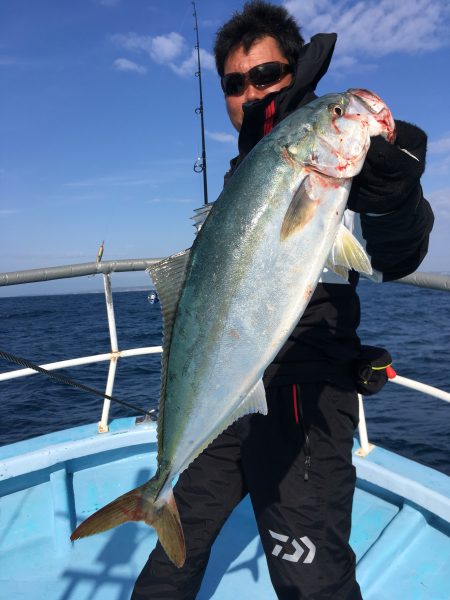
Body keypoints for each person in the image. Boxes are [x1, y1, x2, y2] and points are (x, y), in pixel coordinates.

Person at [132, 2, 434, 598]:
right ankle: (155, 496)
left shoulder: (339, 170)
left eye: (266, 75)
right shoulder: (240, 178)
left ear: (294, 75)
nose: (250, 93)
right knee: (166, 574)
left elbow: (396, 254)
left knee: (311, 582)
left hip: (306, 397)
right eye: (234, 83)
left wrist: (397, 199)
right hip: (227, 397)